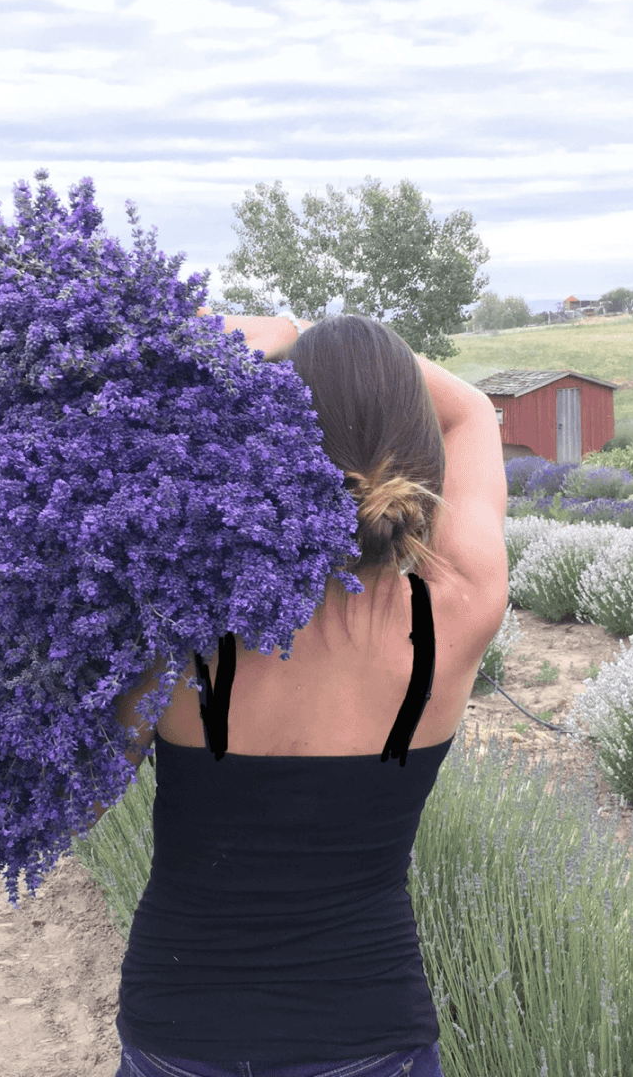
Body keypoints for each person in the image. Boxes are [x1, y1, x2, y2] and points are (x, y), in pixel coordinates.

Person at [105, 313, 508, 1077]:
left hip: (179, 1031)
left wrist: (278, 332)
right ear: (418, 459)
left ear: (268, 450)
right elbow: (471, 412)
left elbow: (86, 795)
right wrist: (348, 351)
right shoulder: (460, 603)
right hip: (368, 1037)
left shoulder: (176, 618)